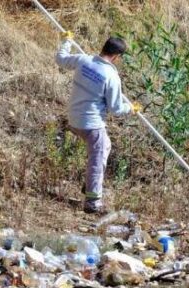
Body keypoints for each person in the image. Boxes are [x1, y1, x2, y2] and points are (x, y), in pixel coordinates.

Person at [55, 32, 141, 214]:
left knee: (105, 145)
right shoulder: (111, 76)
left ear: (104, 47)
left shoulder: (83, 60)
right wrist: (131, 109)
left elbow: (61, 59)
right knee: (98, 157)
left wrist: (67, 41)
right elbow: (116, 109)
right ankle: (92, 201)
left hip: (74, 119)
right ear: (117, 56)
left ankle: (90, 185)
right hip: (91, 124)